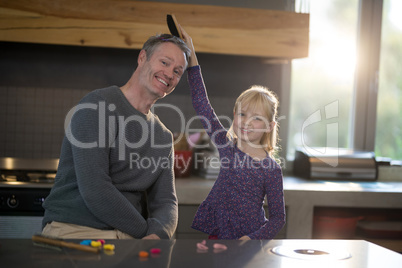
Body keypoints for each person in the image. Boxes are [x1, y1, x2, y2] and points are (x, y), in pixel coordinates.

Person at [41, 34, 191, 239]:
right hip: (76, 230)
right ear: (142, 58)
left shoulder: (163, 137)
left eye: (177, 71)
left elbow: (166, 202)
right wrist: (144, 232)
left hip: (129, 237)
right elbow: (96, 190)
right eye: (164, 62)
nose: (169, 74)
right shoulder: (97, 106)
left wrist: (158, 235)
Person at [180, 26, 286, 240]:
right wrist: (191, 57)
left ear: (269, 126)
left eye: (257, 118)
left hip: (248, 243)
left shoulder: (271, 169)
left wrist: (251, 239)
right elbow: (202, 105)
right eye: (242, 114)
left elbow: (278, 218)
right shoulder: (227, 146)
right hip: (218, 236)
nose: (247, 122)